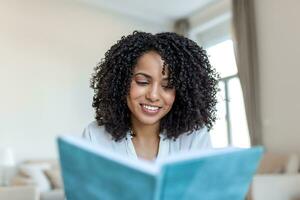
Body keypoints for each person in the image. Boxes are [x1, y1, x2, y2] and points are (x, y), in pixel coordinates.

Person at [83, 31, 218, 161]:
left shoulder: (194, 137)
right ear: (121, 82)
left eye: (168, 86)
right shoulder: (95, 136)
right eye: (143, 82)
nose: (153, 96)